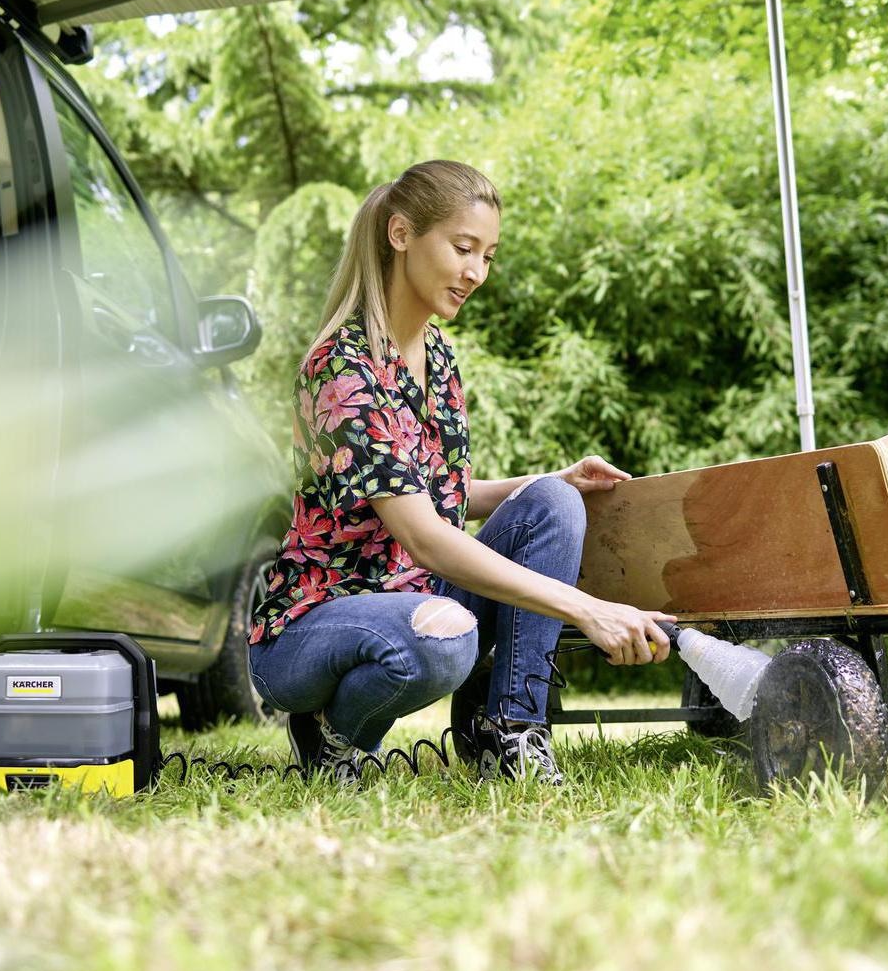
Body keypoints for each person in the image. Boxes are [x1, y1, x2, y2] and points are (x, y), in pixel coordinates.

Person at [246, 159, 675, 785]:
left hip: (413, 595)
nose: (477, 272)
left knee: (553, 501)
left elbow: (441, 495)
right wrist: (588, 609)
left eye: (489, 256)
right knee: (445, 641)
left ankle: (513, 731)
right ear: (401, 236)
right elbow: (423, 535)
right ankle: (333, 734)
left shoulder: (438, 356)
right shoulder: (340, 366)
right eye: (463, 248)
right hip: (317, 623)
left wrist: (555, 481)